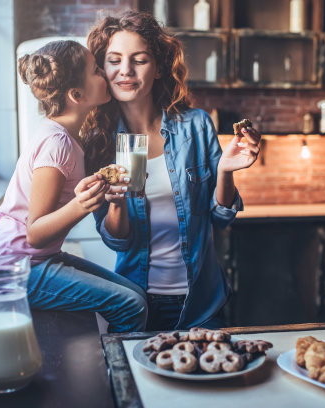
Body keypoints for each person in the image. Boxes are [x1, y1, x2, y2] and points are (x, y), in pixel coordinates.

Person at [83, 11, 261, 331]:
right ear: (101, 68)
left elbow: (221, 218)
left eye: (139, 60)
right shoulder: (99, 143)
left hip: (201, 304)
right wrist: (118, 201)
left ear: (159, 67)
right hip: (134, 303)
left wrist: (224, 172)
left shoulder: (195, 125)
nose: (125, 70)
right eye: (114, 60)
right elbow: (118, 242)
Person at [0, 40, 147, 333]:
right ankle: (115, 376)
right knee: (131, 305)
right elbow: (35, 233)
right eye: (97, 70)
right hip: (15, 269)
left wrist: (101, 191)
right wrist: (82, 204)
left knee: (137, 295)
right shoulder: (57, 143)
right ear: (76, 94)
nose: (106, 75)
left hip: (37, 260)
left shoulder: (66, 139)